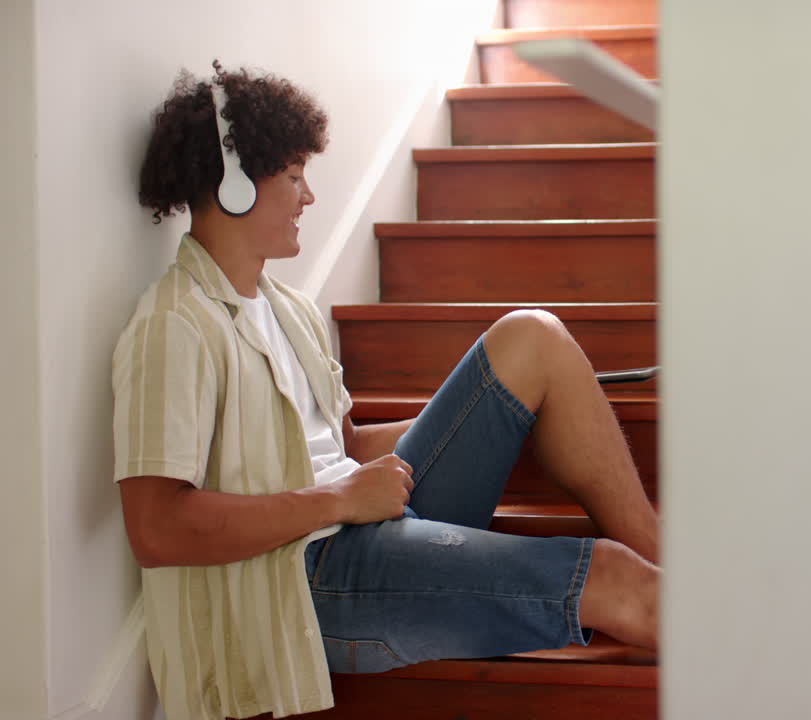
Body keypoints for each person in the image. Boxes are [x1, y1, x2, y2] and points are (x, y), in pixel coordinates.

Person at [114, 62, 660, 720]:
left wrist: (478, 416)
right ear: (234, 188)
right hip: (305, 582)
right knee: (612, 577)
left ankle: (668, 564)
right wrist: (337, 499)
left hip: (359, 520)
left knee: (532, 336)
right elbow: (156, 528)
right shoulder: (175, 326)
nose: (309, 197)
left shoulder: (288, 309)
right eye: (293, 177)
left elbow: (339, 447)